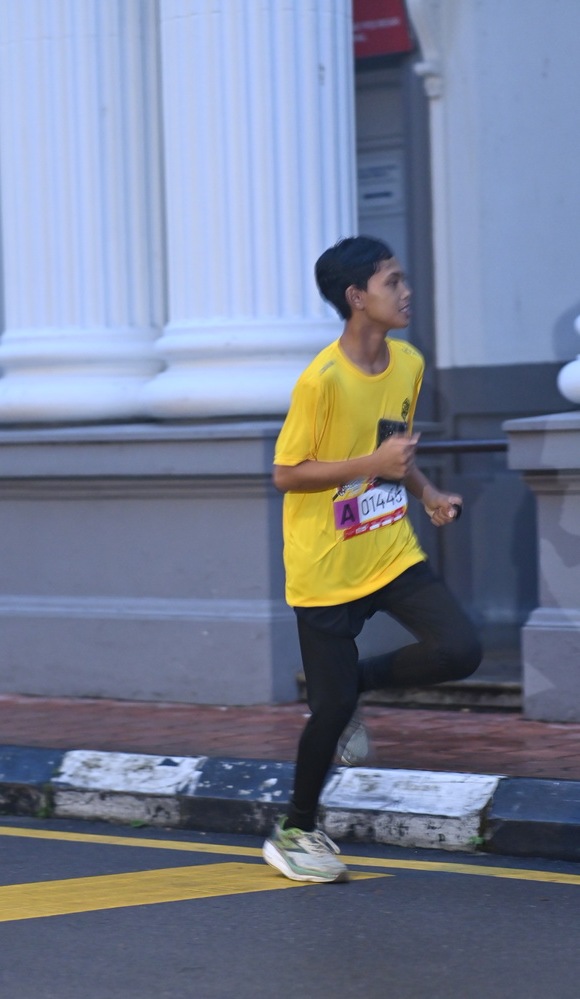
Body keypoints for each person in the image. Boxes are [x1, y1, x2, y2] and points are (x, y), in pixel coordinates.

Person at [262, 235, 482, 884]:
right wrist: (370, 464)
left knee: (460, 649)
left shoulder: (408, 362)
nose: (406, 292)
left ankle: (354, 681)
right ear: (357, 297)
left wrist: (428, 493)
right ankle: (295, 829)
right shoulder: (322, 381)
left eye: (403, 279)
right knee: (329, 713)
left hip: (388, 548)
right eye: (393, 282)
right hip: (325, 566)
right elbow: (287, 473)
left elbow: (394, 450)